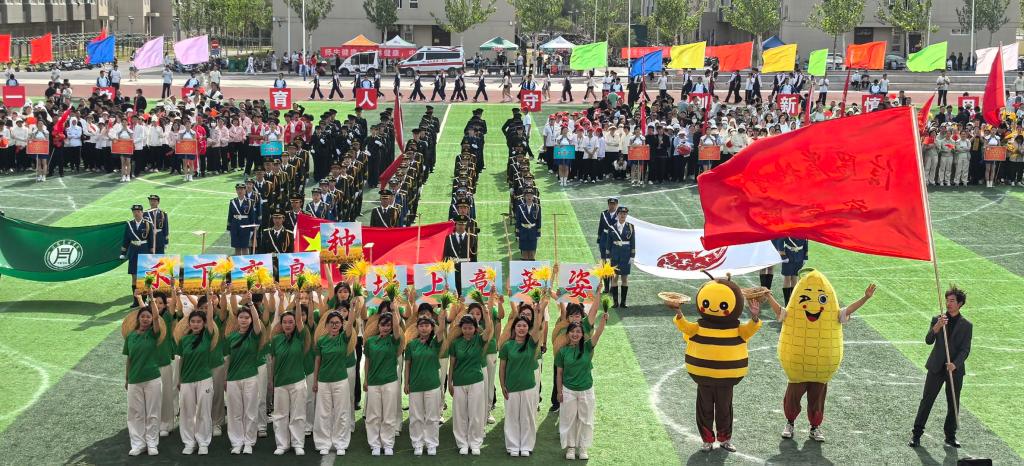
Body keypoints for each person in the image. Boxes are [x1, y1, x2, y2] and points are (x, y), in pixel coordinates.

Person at [673, 275, 762, 453]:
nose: (713, 308)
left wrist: (754, 316)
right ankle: (707, 440)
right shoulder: (698, 327)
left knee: (724, 409)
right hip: (704, 378)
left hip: (725, 380)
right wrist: (679, 313)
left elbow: (750, 329)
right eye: (706, 303)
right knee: (704, 409)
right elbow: (685, 327)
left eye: (723, 306)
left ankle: (725, 439)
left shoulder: (737, 329)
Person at [910, 286, 973, 449]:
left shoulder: (967, 325)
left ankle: (950, 436)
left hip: (954, 371)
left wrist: (955, 364)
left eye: (952, 301)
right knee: (927, 401)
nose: (948, 303)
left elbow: (965, 349)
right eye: (947, 300)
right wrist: (937, 326)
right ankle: (916, 434)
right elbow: (928, 340)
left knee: (953, 403)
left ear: (960, 304)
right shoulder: (938, 319)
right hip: (936, 368)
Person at [443, 298, 494, 455]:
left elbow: (489, 330)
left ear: (475, 328)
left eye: (470, 328)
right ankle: (462, 443)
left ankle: (475, 442)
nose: (467, 331)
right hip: (459, 381)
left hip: (476, 380)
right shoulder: (455, 343)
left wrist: (486, 313)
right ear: (461, 328)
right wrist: (450, 382)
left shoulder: (479, 340)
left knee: (475, 412)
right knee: (460, 414)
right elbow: (452, 364)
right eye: (465, 328)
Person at [556, 312, 607, 460]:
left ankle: (583, 447)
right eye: (572, 331)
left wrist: (603, 320)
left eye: (578, 332)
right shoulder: (562, 351)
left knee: (586, 420)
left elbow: (598, 334)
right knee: (569, 419)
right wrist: (559, 392)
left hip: (586, 390)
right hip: (568, 391)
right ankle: (571, 448)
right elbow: (559, 374)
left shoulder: (587, 346)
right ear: (568, 334)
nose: (575, 334)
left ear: (582, 334)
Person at [499, 314, 548, 457]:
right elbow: (502, 368)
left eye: (524, 326)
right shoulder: (507, 346)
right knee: (512, 417)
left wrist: (539, 311)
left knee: (527, 417)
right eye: (519, 325)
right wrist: (502, 385)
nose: (521, 328)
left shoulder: (532, 343)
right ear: (514, 328)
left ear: (528, 328)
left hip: (528, 386)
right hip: (511, 387)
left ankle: (526, 446)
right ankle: (513, 446)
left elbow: (538, 327)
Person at [175, 299, 220, 455]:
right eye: (193, 321)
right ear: (189, 324)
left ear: (204, 323)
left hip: (204, 379)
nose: (195, 324)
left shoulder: (207, 335)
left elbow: (210, 317)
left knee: (203, 412)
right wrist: (179, 379)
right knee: (187, 413)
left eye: (199, 322)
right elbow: (180, 361)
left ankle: (203, 442)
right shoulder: (184, 340)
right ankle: (189, 442)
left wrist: (209, 297)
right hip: (187, 380)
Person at [268, 296, 312, 456]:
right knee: (280, 414)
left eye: (291, 322)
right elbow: (273, 360)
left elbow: (300, 320)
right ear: (281, 324)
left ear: (295, 324)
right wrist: (271, 380)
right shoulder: (276, 339)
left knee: (298, 414)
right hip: (280, 382)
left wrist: (298, 302)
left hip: (298, 381)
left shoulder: (300, 337)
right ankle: (282, 444)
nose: (288, 325)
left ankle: (298, 444)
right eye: (285, 322)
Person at [122, 299, 166, 456]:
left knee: (152, 412)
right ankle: (138, 444)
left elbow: (157, 317)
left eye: (148, 316)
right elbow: (129, 359)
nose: (146, 319)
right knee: (135, 413)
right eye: (143, 316)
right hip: (134, 379)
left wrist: (151, 298)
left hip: (152, 378)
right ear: (138, 318)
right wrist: (127, 378)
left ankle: (152, 443)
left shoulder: (153, 334)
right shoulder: (130, 337)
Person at [223, 303, 267, 455]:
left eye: (247, 317)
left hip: (250, 377)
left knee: (250, 411)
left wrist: (251, 304)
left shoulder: (254, 335)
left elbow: (257, 322)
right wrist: (225, 378)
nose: (243, 320)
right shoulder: (230, 338)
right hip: (233, 378)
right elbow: (227, 360)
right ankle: (237, 441)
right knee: (234, 412)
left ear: (251, 319)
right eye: (241, 317)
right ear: (237, 319)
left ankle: (249, 442)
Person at [312, 307, 356, 456]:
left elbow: (351, 323)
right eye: (331, 322)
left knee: (341, 412)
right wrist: (315, 381)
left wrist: (353, 307)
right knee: (323, 413)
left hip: (340, 381)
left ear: (342, 324)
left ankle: (340, 443)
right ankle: (323, 443)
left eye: (337, 322)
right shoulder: (321, 341)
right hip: (324, 381)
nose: (334, 325)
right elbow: (317, 361)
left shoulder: (344, 338)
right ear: (326, 325)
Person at [363, 310, 403, 456]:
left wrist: (394, 310)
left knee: (389, 414)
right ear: (378, 326)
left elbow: (398, 328)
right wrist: (366, 379)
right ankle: (374, 444)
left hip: (390, 381)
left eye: (388, 325)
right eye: (383, 325)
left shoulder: (394, 340)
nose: (385, 328)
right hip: (373, 382)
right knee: (373, 415)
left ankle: (388, 444)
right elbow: (367, 362)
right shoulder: (370, 342)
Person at [404, 312, 445, 456]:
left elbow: (441, 331)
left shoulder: (435, 343)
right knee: (416, 417)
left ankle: (431, 444)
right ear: (417, 328)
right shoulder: (411, 345)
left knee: (432, 417)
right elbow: (407, 365)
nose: (424, 328)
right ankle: (417, 444)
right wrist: (406, 383)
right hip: (415, 385)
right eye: (421, 325)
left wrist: (441, 318)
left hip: (432, 385)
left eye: (427, 325)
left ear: (432, 328)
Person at [605, 206, 635, 308]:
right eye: (621, 214)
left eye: (625, 214)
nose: (623, 215)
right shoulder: (612, 227)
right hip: (615, 255)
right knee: (614, 277)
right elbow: (608, 243)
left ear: (626, 215)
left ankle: (623, 302)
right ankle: (615, 302)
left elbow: (633, 242)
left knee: (624, 278)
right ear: (617, 215)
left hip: (626, 255)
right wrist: (608, 256)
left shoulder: (630, 227)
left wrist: (632, 255)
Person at [121, 205, 153, 292]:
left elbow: (151, 240)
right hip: (133, 251)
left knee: (145, 275)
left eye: (138, 212)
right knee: (134, 276)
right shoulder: (129, 224)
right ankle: (136, 298)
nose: (136, 213)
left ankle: (145, 296)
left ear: (142, 212)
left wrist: (152, 253)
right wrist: (123, 253)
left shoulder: (148, 224)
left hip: (144, 250)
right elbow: (126, 239)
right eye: (134, 212)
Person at [771, 237, 808, 305]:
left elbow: (806, 242)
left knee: (795, 277)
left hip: (800, 256)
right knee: (787, 278)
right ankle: (787, 302)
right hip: (788, 255)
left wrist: (805, 256)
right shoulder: (787, 230)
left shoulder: (803, 231)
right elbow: (780, 241)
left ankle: (793, 300)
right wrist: (783, 256)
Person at [228, 184, 258, 255]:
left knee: (245, 247)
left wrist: (251, 230)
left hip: (245, 226)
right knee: (237, 247)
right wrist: (229, 228)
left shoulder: (250, 202)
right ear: (236, 191)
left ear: (245, 190)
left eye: (242, 189)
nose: (240, 191)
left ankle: (245, 261)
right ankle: (237, 261)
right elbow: (230, 216)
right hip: (235, 225)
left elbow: (252, 216)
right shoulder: (232, 201)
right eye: (238, 189)